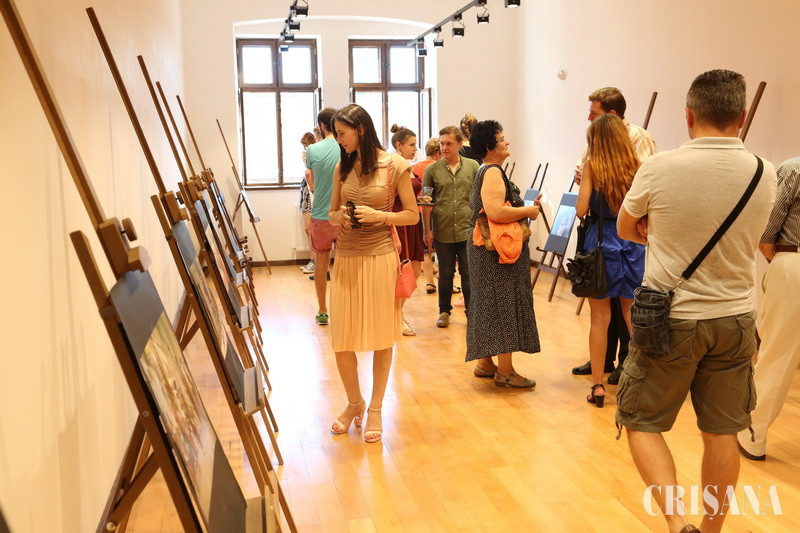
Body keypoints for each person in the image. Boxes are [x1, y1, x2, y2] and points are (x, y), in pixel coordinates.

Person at [615, 69, 776, 533]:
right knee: (722, 431)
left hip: (671, 319)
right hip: (736, 318)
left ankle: (676, 523)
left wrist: (657, 234)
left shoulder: (659, 168)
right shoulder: (765, 172)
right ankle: (710, 530)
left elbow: (626, 228)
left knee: (642, 420)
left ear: (688, 115)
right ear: (741, 117)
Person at [327, 104, 419, 443]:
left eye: (342, 133)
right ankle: (355, 402)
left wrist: (380, 216)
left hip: (380, 257)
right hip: (346, 257)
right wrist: (341, 217)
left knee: (381, 335)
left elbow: (412, 215)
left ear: (361, 129)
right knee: (342, 338)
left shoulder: (395, 165)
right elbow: (330, 213)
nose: (339, 139)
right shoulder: (342, 166)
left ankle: (376, 407)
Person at [571, 86, 657, 386]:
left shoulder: (593, 165)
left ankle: (597, 384)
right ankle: (644, 379)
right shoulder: (635, 166)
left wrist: (588, 186)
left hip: (601, 239)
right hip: (631, 240)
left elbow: (581, 210)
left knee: (599, 317)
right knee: (632, 312)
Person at [467, 120, 541, 387]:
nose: (506, 141)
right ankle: (506, 371)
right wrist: (528, 210)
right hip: (496, 254)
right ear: (490, 147)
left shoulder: (485, 170)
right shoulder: (492, 172)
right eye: (501, 139)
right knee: (503, 305)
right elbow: (495, 211)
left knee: (488, 305)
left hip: (486, 251)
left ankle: (486, 363)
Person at [737, 157, 800, 461]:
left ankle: (753, 434)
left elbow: (765, 234)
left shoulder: (794, 168)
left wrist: (780, 263)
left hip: (793, 261)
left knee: (778, 354)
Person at [423, 126, 479, 328]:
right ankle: (444, 311)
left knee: (468, 273)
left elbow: (479, 197)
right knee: (445, 273)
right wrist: (427, 230)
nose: (444, 147)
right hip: (443, 230)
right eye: (441, 143)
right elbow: (426, 203)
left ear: (459, 144)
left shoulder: (473, 166)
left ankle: (472, 313)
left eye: (448, 143)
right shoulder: (431, 171)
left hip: (467, 230)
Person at [305, 108, 341, 325]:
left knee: (321, 264)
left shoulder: (312, 150)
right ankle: (345, 308)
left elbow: (311, 178)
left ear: (321, 125)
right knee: (346, 266)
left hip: (320, 214)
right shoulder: (346, 147)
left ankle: (322, 310)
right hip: (343, 214)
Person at [390, 125, 423, 336]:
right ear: (399, 145)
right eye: (411, 144)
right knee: (401, 270)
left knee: (416, 268)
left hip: (412, 222)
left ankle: (397, 313)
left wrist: (420, 198)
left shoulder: (408, 166)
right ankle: (397, 316)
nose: (415, 148)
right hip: (399, 222)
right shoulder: (393, 166)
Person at [412, 138, 442, 295]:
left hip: (417, 211)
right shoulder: (439, 168)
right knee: (442, 248)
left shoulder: (415, 167)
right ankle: (445, 281)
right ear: (438, 153)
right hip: (434, 211)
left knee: (425, 250)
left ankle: (430, 282)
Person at [299, 132, 317, 274]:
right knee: (309, 230)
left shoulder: (312, 154)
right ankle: (313, 261)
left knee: (310, 229)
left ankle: (314, 261)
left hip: (311, 193)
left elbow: (308, 173)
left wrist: (312, 187)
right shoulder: (310, 153)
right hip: (307, 192)